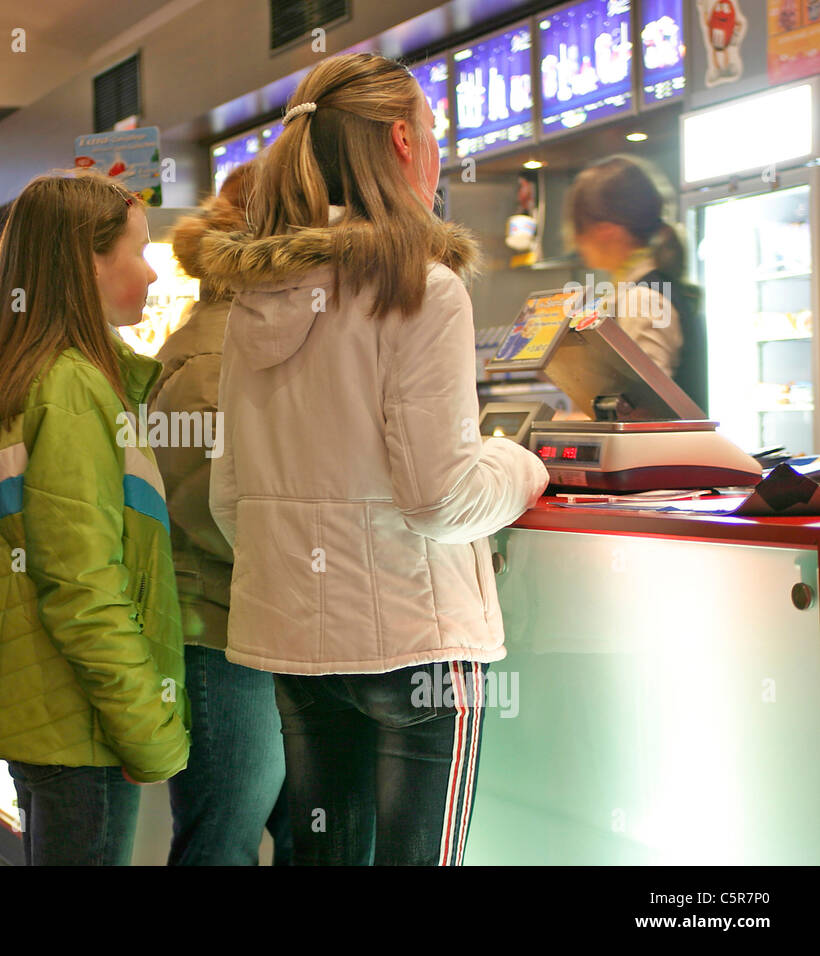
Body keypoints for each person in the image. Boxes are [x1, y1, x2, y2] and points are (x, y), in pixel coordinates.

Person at [195, 52, 549, 866]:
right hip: (415, 642)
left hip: (291, 639)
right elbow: (441, 496)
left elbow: (229, 497)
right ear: (400, 139)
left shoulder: (260, 294)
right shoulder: (423, 287)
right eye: (433, 131)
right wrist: (520, 465)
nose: (435, 149)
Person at [0, 172, 189, 866]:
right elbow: (83, 586)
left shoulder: (29, 376)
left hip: (48, 712)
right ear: (87, 262)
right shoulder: (73, 390)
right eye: (138, 250)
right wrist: (148, 727)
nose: (152, 270)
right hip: (82, 720)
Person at [152, 161, 292, 865]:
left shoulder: (240, 342)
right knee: (221, 843)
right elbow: (218, 509)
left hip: (246, 628)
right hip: (218, 635)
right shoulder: (214, 359)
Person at [567, 155, 709, 413]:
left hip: (669, 454)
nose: (575, 242)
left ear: (606, 231)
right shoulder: (637, 289)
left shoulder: (643, 297)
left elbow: (647, 407)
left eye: (577, 229)